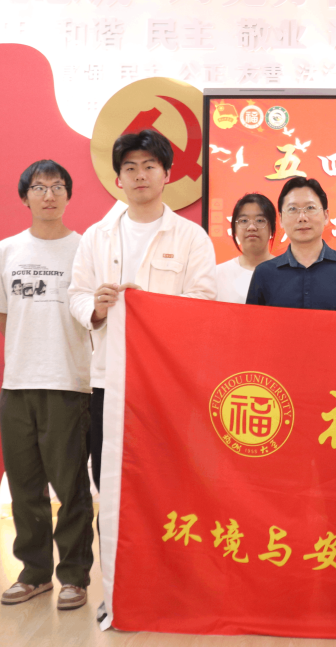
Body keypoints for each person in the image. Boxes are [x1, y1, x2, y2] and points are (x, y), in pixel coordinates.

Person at [69, 129, 217, 496]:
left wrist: (148, 306)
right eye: (130, 167)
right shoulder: (96, 236)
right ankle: (112, 537)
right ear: (118, 178)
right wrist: (97, 309)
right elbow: (77, 295)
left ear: (167, 174)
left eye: (150, 166)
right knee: (109, 475)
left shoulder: (191, 237)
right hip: (109, 377)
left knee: (167, 475)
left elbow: (203, 301)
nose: (140, 175)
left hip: (168, 379)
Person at [0, 160, 94, 611]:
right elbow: (3, 317)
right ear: (24, 196)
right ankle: (33, 574)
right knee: (24, 486)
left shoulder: (86, 249)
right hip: (17, 384)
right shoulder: (5, 251)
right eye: (40, 187)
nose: (49, 195)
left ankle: (74, 576)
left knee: (71, 487)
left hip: (70, 382)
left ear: (68, 195)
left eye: (58, 187)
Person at [244, 178, 336, 312]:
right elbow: (251, 324)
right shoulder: (264, 274)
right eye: (292, 209)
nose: (302, 217)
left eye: (310, 208)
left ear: (326, 216)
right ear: (281, 219)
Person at [216, 193, 277, 304]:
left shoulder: (287, 274)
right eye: (244, 221)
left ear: (272, 228)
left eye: (260, 220)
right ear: (234, 229)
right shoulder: (217, 274)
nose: (251, 227)